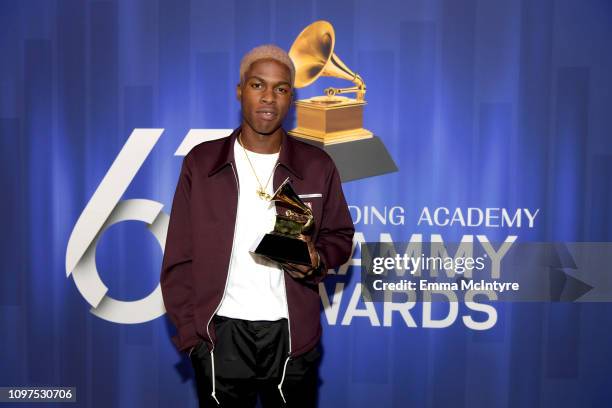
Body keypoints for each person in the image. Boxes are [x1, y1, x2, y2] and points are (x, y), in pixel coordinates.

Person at [160, 44, 354, 407]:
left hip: (292, 334)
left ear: (291, 99)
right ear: (239, 91)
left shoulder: (317, 165)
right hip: (221, 334)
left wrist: (317, 259)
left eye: (280, 89)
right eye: (257, 85)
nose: (269, 97)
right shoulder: (202, 163)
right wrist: (193, 338)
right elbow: (179, 256)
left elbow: (340, 236)